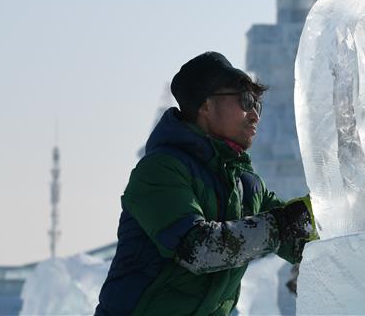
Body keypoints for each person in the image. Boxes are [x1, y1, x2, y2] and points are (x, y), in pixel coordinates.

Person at [96, 51, 318, 315]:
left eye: (258, 104)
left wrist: (327, 222)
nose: (255, 115)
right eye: (246, 100)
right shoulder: (160, 171)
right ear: (205, 105)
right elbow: (200, 248)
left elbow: (294, 231)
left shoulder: (246, 184)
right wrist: (282, 226)